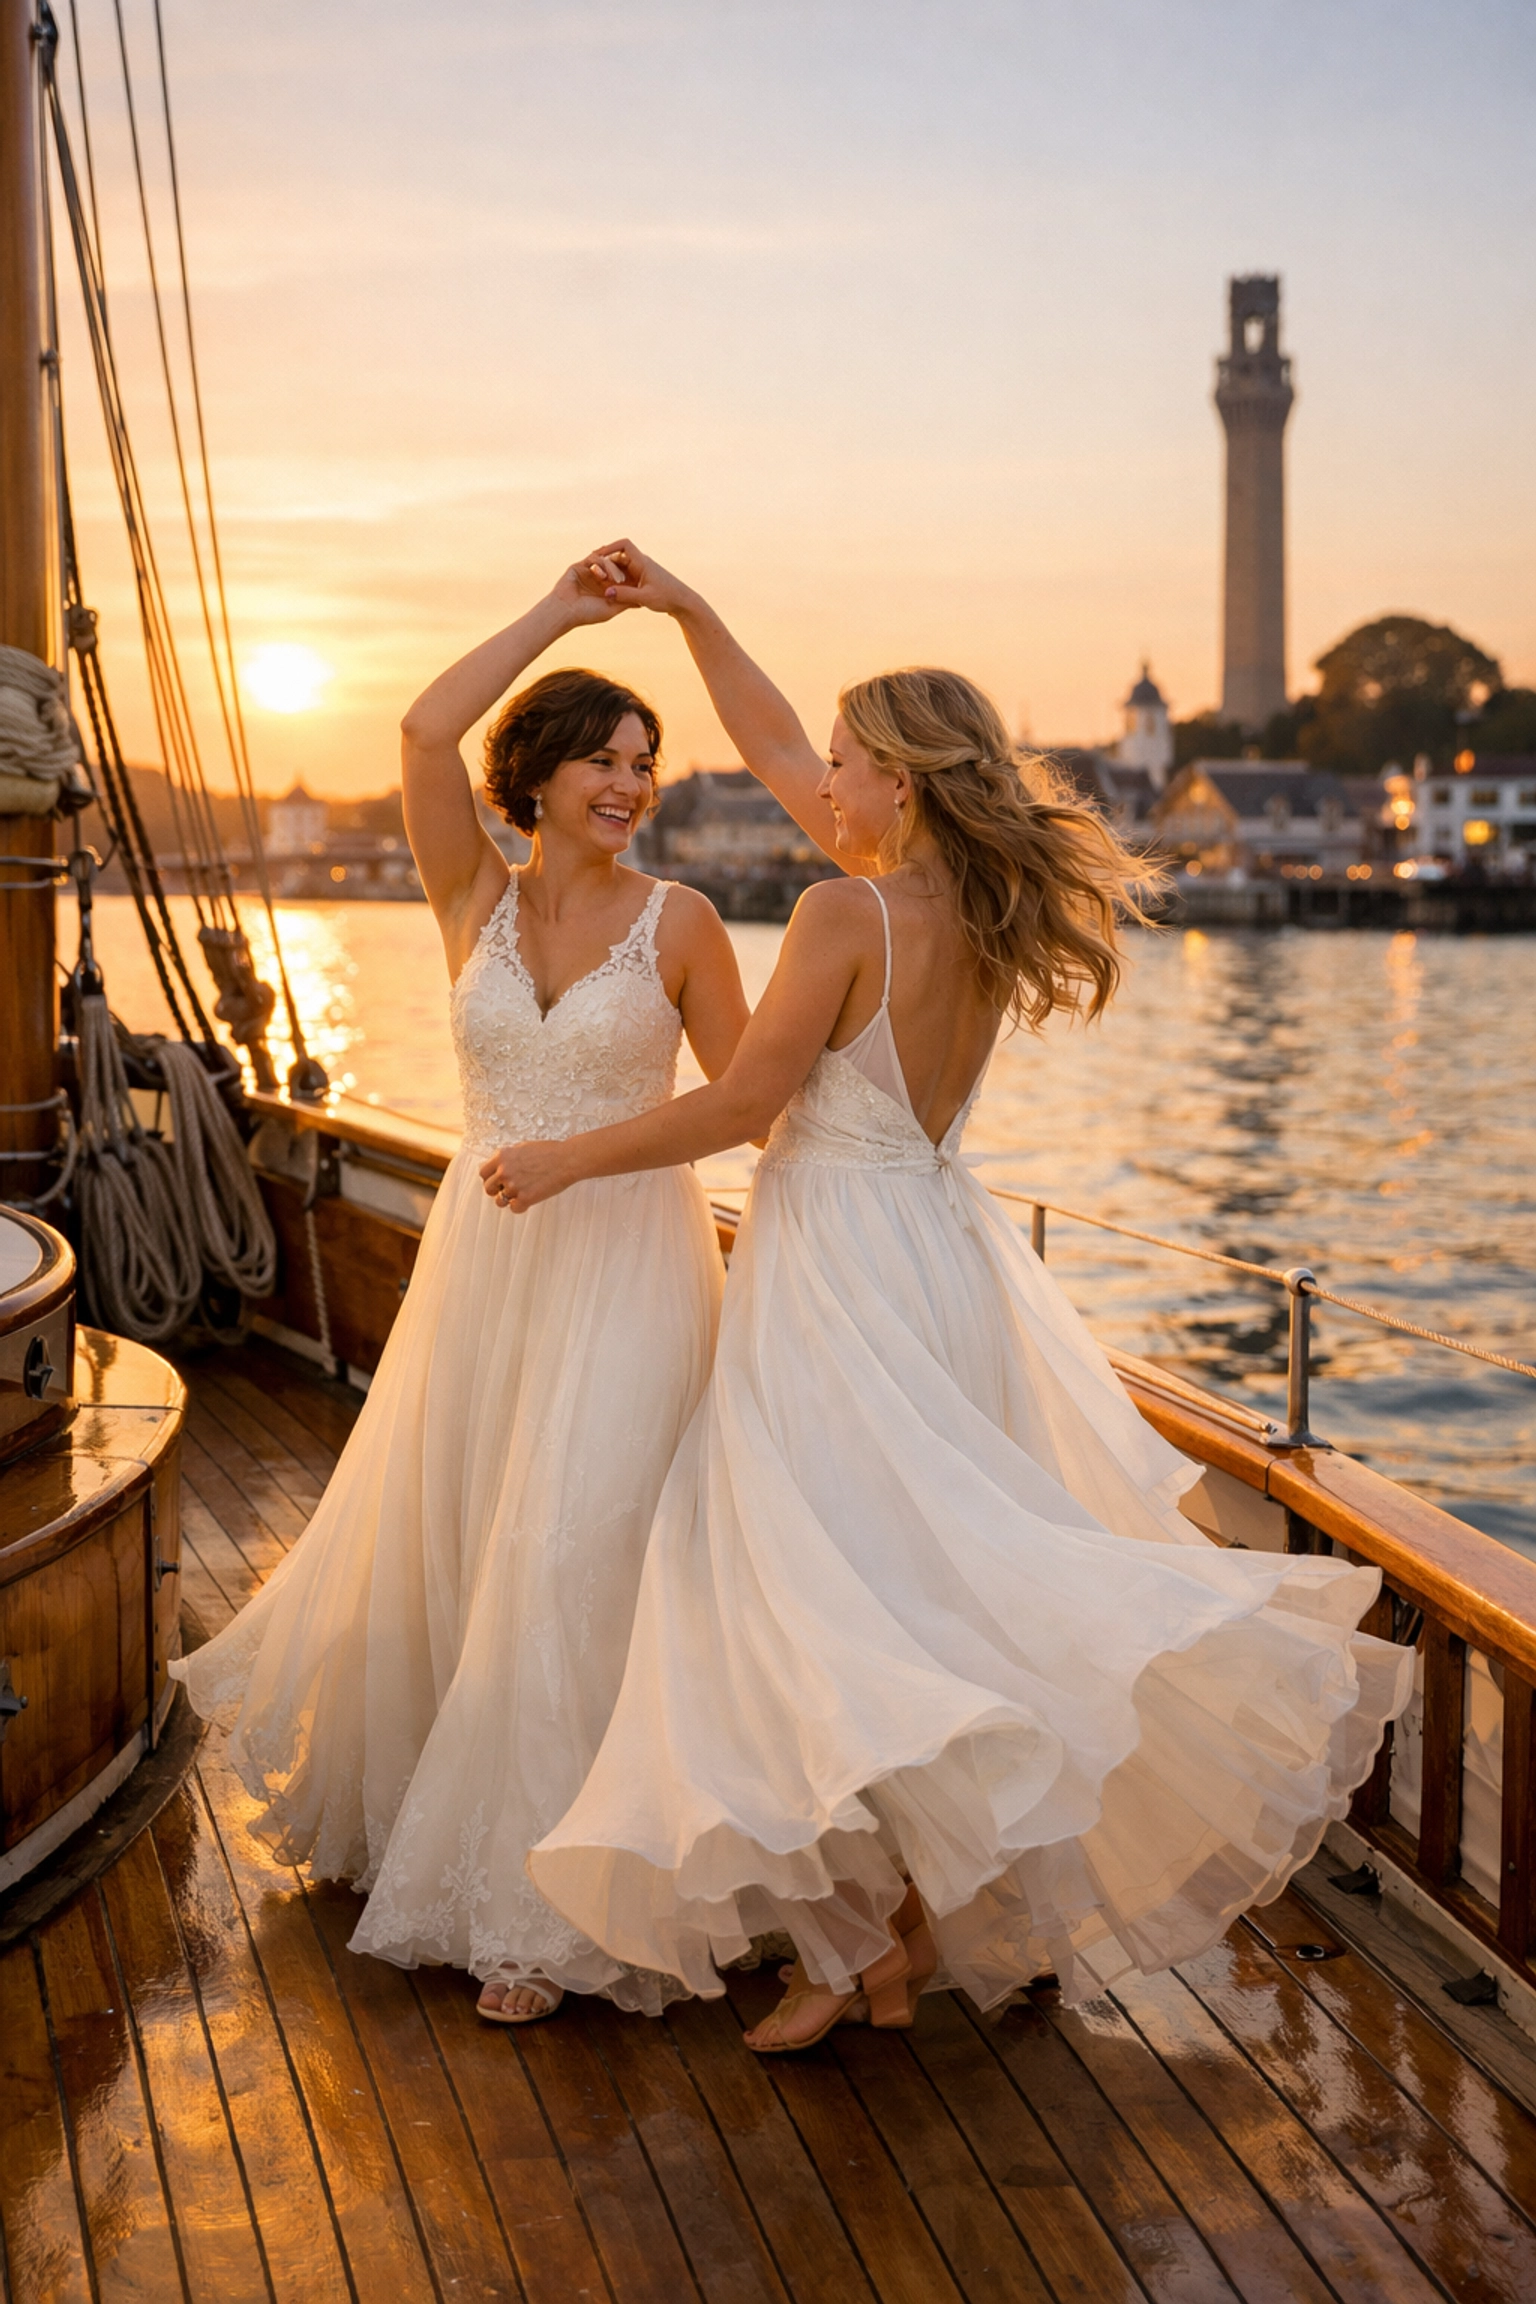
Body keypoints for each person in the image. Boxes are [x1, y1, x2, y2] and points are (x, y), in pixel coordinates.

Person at [482, 542, 1414, 2050]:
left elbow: (747, 1110)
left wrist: (567, 1156)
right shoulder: (976, 902)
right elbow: (776, 738)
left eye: (844, 765)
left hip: (838, 1273)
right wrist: (698, 612)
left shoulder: (846, 915)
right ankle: (900, 1934)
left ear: (898, 783)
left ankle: (852, 1947)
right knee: (917, 1591)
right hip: (947, 1259)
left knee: (784, 1589)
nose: (815, 778)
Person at [173, 552, 748, 2025]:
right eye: (604, 760)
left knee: (572, 1554)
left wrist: (580, 1159)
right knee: (477, 1536)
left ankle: (550, 1913)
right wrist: (566, 609)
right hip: (484, 1264)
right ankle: (462, 1834)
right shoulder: (469, 897)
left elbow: (747, 1103)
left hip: (628, 1262)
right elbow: (426, 733)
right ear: (541, 774)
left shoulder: (680, 922)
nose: (630, 785)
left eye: (646, 764)